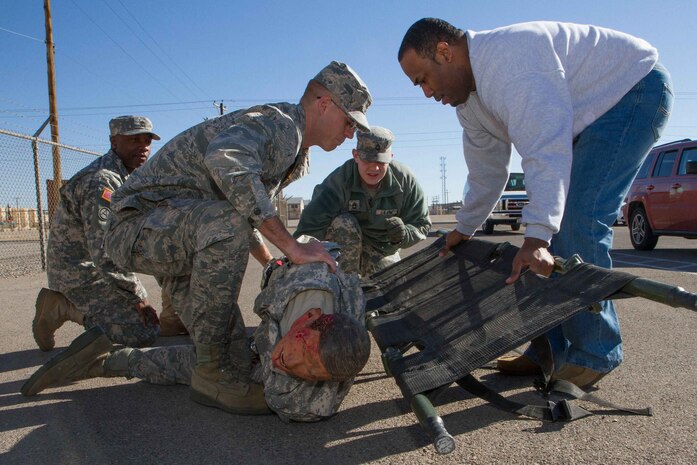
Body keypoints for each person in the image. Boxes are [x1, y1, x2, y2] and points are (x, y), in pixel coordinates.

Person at [398, 18, 673, 388]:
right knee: (549, 235)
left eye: (423, 79)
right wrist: (462, 228)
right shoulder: (469, 103)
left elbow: (546, 147)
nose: (427, 93)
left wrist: (537, 235)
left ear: (445, 52)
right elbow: (487, 172)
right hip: (584, 116)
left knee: (577, 220)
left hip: (632, 92)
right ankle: (549, 348)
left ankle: (596, 352)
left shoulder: (510, 62)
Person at [101, 61, 372, 414]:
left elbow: (242, 205)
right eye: (349, 121)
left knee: (237, 359)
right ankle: (212, 375)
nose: (350, 133)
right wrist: (290, 246)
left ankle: (118, 360)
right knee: (218, 361)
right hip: (136, 225)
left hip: (181, 236)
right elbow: (226, 163)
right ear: (324, 104)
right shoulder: (282, 125)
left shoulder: (295, 151)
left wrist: (272, 260)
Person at [22, 241, 371, 423]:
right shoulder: (299, 290)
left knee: (223, 369)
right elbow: (288, 400)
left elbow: (302, 403)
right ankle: (111, 358)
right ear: (308, 317)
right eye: (300, 349)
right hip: (264, 283)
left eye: (311, 373)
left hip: (290, 327)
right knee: (217, 356)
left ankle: (106, 362)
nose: (290, 361)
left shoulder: (335, 341)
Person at [33, 116, 187, 353]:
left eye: (147, 140)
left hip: (100, 266)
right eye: (134, 139)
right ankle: (62, 306)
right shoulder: (101, 181)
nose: (143, 146)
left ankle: (176, 313)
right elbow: (104, 251)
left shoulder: (127, 176)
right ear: (114, 143)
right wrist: (138, 296)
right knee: (142, 331)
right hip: (80, 272)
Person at [294, 126, 431, 276]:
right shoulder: (339, 181)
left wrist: (404, 235)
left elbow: (421, 224)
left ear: (390, 157)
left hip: (382, 249)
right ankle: (343, 282)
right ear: (356, 155)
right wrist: (298, 257)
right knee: (344, 222)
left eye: (381, 161)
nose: (375, 167)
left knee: (388, 287)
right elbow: (310, 225)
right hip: (343, 246)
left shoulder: (405, 181)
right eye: (368, 159)